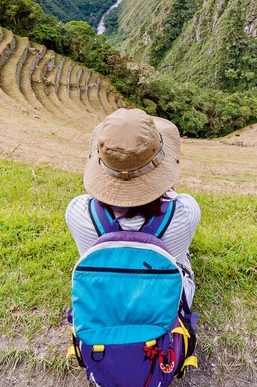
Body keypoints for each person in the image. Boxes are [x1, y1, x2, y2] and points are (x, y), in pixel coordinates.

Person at [65, 108, 200, 306]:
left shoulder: (77, 212)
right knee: (182, 259)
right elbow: (173, 198)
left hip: (105, 300)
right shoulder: (185, 211)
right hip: (160, 302)